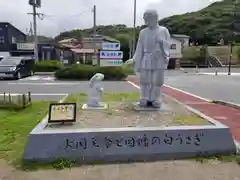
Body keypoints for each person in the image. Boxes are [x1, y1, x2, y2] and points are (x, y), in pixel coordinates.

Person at [133, 9, 171, 108]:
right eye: (146, 19)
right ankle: (144, 97)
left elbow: (168, 44)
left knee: (156, 81)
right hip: (146, 57)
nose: (146, 22)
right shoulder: (143, 32)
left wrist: (162, 42)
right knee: (144, 80)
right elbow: (139, 47)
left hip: (158, 58)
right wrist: (136, 59)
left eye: (148, 19)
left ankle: (155, 98)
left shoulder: (163, 30)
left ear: (154, 18)